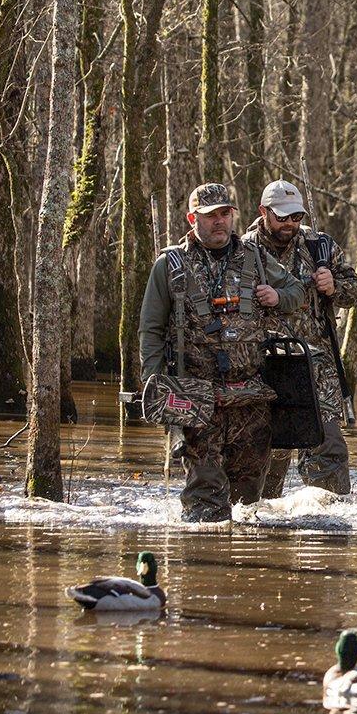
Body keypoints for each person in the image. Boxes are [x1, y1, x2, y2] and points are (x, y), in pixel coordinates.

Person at [139, 183, 303, 522]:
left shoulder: (254, 256)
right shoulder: (169, 264)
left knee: (248, 505)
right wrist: (153, 386)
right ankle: (202, 565)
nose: (219, 222)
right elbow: (151, 330)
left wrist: (277, 296)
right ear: (192, 218)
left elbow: (295, 290)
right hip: (198, 397)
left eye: (225, 213)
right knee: (206, 504)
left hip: (251, 398)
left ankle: (242, 569)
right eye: (210, 215)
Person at [243, 179, 357, 498]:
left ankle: (330, 522)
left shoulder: (317, 245)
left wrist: (334, 285)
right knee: (268, 456)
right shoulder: (243, 250)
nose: (290, 224)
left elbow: (355, 291)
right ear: (263, 212)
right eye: (282, 217)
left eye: (295, 217)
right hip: (263, 367)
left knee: (328, 446)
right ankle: (263, 525)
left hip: (316, 366)